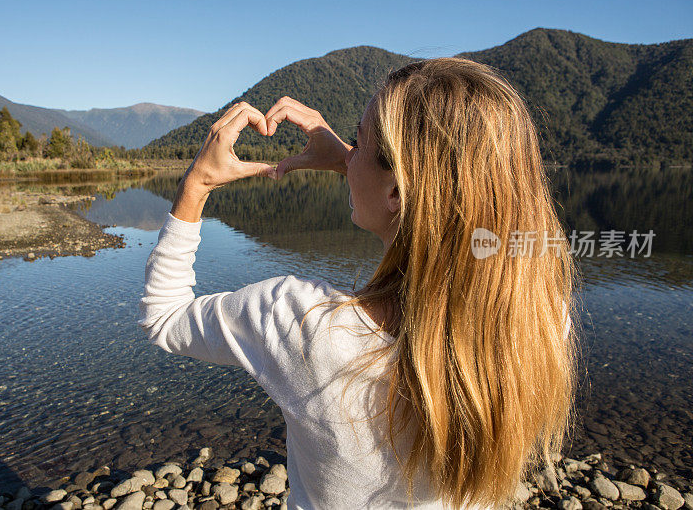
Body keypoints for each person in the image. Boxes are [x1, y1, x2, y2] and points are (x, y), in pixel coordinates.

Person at [139, 57, 577, 509]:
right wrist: (356, 164)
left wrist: (197, 183)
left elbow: (164, 317)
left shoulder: (304, 324)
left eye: (358, 141)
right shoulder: (540, 315)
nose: (348, 151)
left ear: (395, 193)